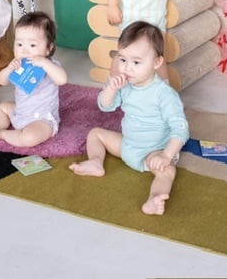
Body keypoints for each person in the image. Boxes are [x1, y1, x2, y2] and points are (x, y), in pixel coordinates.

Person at [69, 21, 189, 216]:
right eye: (122, 59)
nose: (127, 68)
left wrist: (166, 156)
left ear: (156, 62)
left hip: (154, 152)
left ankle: (154, 198)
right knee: (95, 134)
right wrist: (111, 88)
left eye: (136, 62)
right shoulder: (124, 85)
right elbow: (105, 106)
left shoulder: (164, 94)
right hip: (127, 146)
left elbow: (180, 129)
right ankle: (95, 162)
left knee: (167, 171)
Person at [0, 12, 68, 148]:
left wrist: (44, 63)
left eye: (32, 45)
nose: (25, 51)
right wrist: (8, 69)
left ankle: (2, 134)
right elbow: (2, 81)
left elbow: (62, 80)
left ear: (48, 49)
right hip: (20, 113)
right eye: (19, 44)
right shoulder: (18, 65)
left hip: (41, 119)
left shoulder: (50, 65)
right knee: (2, 107)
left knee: (30, 137)